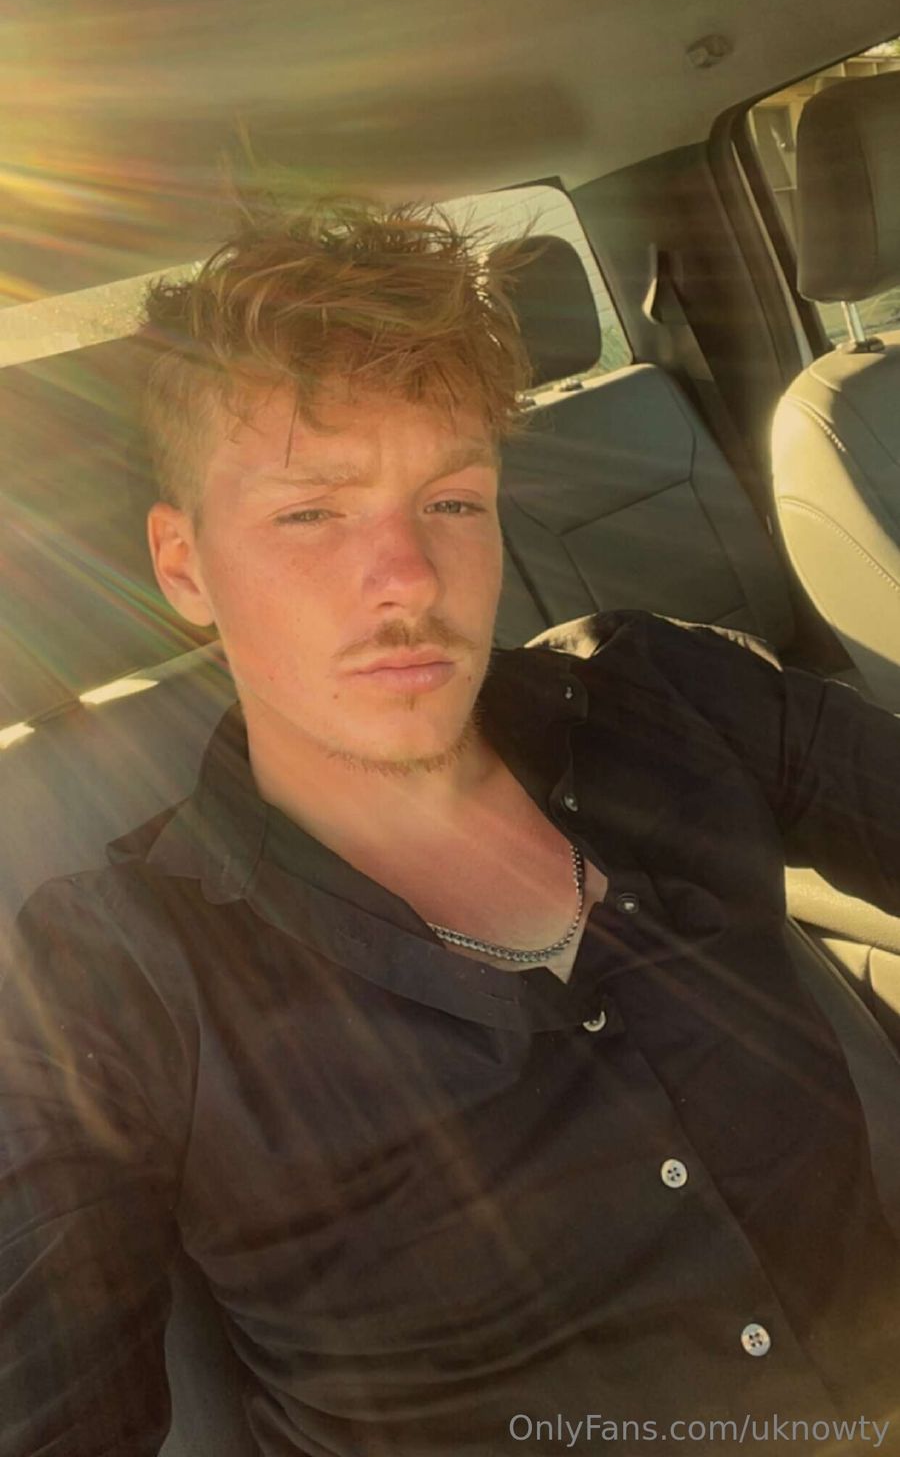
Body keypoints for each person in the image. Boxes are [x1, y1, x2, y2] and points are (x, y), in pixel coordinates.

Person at [2, 194, 900, 1457]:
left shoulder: (670, 698)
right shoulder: (105, 977)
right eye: (312, 511)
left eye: (453, 501)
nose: (411, 577)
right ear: (184, 564)